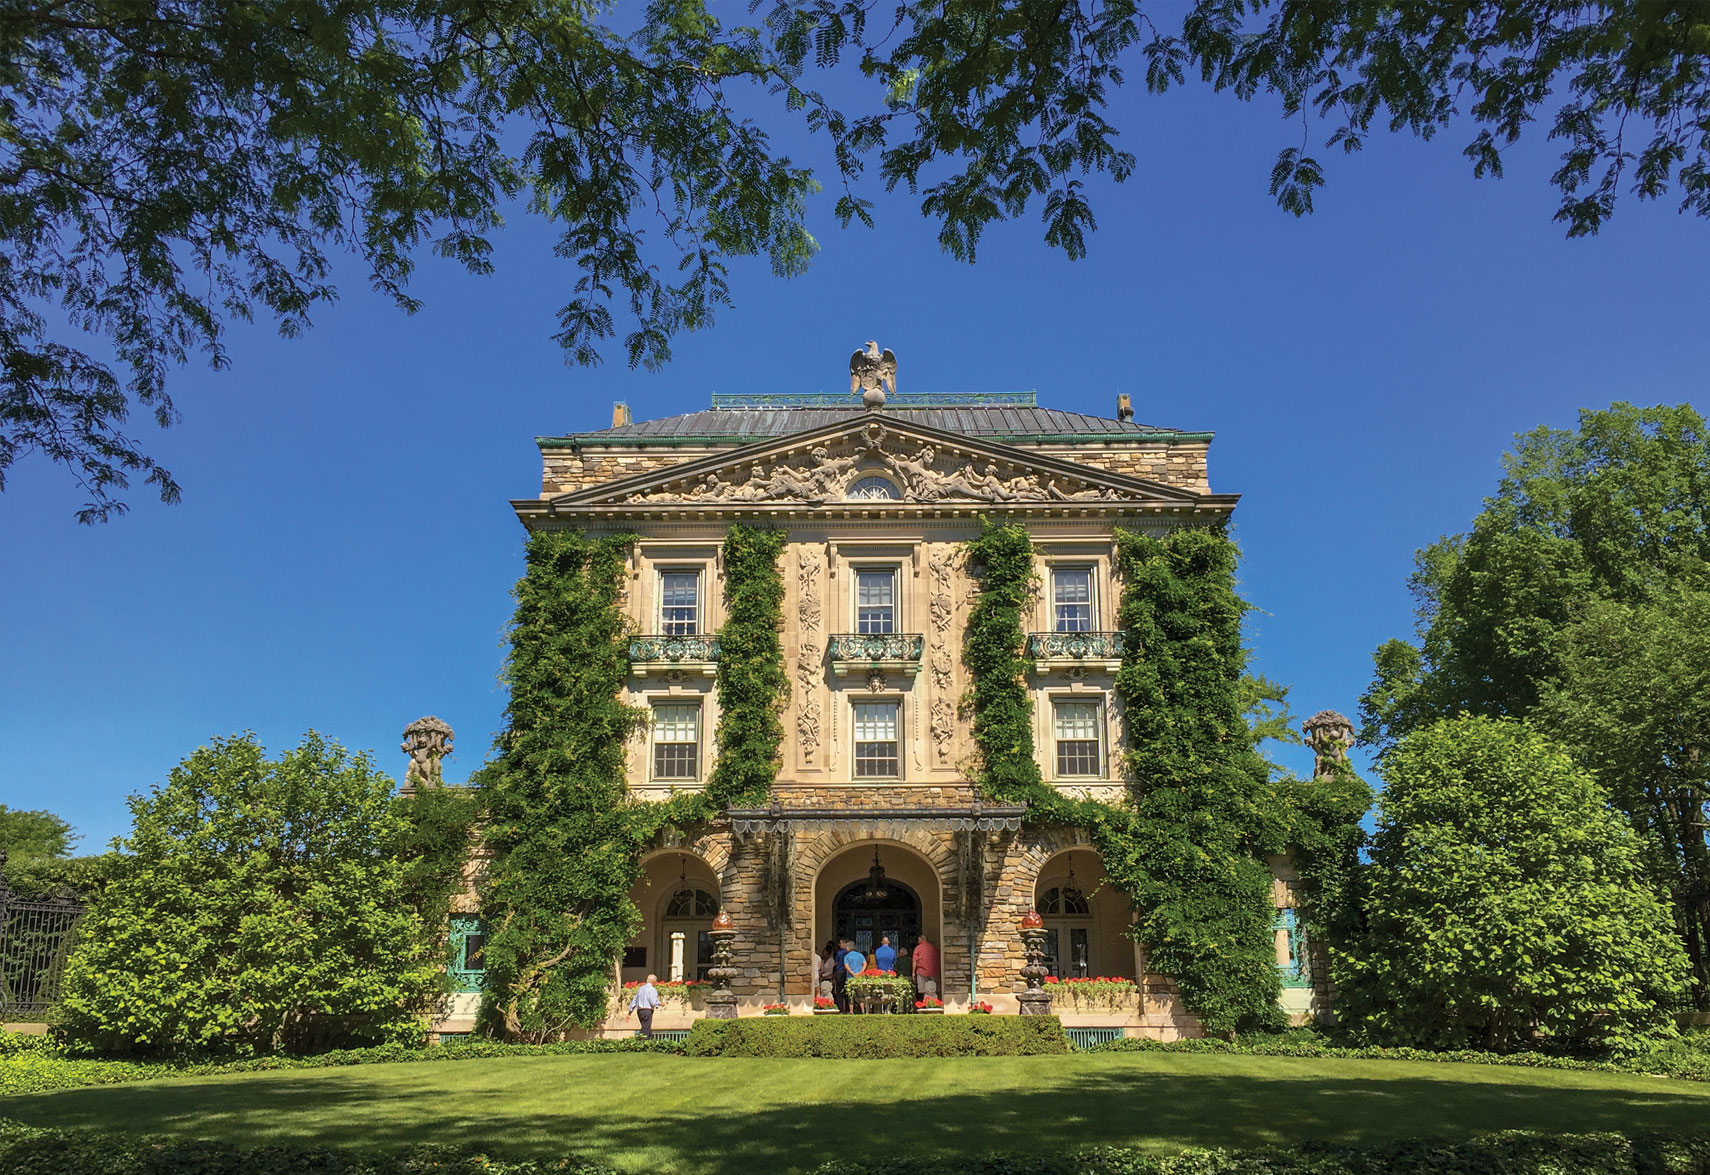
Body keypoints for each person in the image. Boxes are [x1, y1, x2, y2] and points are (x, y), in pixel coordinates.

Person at [628, 972, 661, 1039]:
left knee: (646, 1027)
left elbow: (634, 1000)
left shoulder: (641, 989)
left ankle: (649, 1040)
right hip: (647, 1010)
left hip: (640, 1011)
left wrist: (629, 1012)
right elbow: (653, 1002)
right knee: (645, 1029)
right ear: (654, 981)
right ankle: (642, 1043)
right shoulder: (652, 989)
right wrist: (660, 1003)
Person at [912, 934, 939, 1002]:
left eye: (918, 939)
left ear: (922, 939)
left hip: (922, 972)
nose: (918, 941)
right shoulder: (933, 948)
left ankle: (924, 1004)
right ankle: (934, 1003)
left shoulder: (918, 948)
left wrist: (913, 972)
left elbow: (914, 961)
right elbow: (938, 958)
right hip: (933, 972)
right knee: (933, 989)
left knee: (923, 990)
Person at [842, 944, 868, 1012]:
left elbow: (846, 966)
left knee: (850, 995)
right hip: (859, 978)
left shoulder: (847, 956)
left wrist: (852, 973)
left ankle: (851, 1011)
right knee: (860, 995)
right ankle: (863, 1010)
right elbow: (865, 964)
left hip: (850, 978)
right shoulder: (860, 955)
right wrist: (860, 972)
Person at [832, 938, 852, 1012]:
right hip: (847, 973)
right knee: (847, 991)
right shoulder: (848, 953)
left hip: (840, 972)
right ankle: (848, 1009)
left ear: (844, 944)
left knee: (839, 991)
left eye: (840, 943)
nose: (839, 945)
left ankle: (840, 1009)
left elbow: (835, 963)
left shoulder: (840, 953)